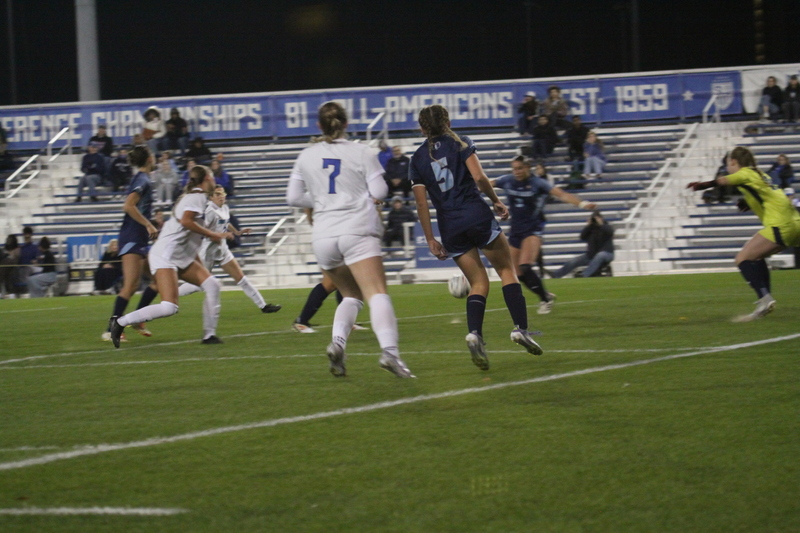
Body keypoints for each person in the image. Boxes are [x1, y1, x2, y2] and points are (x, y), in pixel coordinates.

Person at [285, 101, 414, 378]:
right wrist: (357, 198)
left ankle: (338, 344)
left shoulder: (305, 155)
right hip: (356, 229)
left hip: (323, 236)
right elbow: (380, 190)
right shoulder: (362, 151)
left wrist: (323, 200)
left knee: (351, 294)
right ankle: (390, 353)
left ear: (319, 125)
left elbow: (293, 197)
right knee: (376, 293)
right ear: (346, 124)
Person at [410, 104, 542, 371]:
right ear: (447, 121)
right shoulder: (461, 142)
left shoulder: (416, 159)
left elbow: (422, 204)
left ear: (422, 128)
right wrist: (496, 201)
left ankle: (475, 334)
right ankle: (520, 329)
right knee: (507, 270)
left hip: (450, 226)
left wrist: (430, 238)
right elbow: (479, 177)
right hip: (475, 214)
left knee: (478, 282)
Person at [109, 165, 229, 347]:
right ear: (205, 180)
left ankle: (209, 335)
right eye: (212, 178)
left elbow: (187, 234)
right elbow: (187, 221)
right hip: (166, 255)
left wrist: (197, 260)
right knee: (169, 307)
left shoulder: (199, 198)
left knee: (212, 285)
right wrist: (213, 234)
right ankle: (119, 323)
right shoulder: (196, 197)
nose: (215, 181)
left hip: (180, 256)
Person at [687, 146, 800, 322]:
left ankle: (765, 299)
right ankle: (765, 299)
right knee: (756, 257)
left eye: (728, 164)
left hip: (780, 223)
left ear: (733, 162)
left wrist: (704, 185)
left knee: (742, 258)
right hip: (794, 221)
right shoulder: (761, 174)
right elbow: (769, 194)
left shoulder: (745, 173)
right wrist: (748, 202)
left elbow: (725, 180)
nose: (728, 168)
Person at [491, 156, 596, 313]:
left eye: (520, 168)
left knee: (525, 266)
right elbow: (484, 183)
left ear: (528, 167)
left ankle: (545, 300)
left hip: (533, 230)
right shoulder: (508, 180)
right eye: (514, 168)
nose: (517, 172)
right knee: (516, 273)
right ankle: (545, 294)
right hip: (516, 231)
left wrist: (582, 203)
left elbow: (560, 194)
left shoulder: (537, 183)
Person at [178, 186, 282, 313]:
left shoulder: (225, 208)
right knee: (200, 285)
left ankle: (264, 306)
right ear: (211, 197)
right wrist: (223, 235)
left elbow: (225, 223)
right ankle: (173, 294)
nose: (221, 196)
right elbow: (205, 233)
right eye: (217, 194)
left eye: (222, 193)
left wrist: (237, 232)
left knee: (242, 279)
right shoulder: (210, 211)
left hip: (222, 250)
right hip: (208, 252)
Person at [102, 146, 160, 343]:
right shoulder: (142, 180)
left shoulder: (144, 179)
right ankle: (111, 329)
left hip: (139, 238)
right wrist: (148, 223)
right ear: (149, 158)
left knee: (158, 281)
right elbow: (128, 205)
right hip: (132, 237)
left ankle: (137, 319)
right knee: (130, 286)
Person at [551, 211, 615, 278]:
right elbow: (582, 237)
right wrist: (588, 226)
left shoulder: (606, 226)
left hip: (607, 253)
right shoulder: (591, 229)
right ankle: (556, 274)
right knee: (573, 261)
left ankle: (584, 275)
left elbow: (610, 232)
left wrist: (601, 224)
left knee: (600, 255)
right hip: (591, 255)